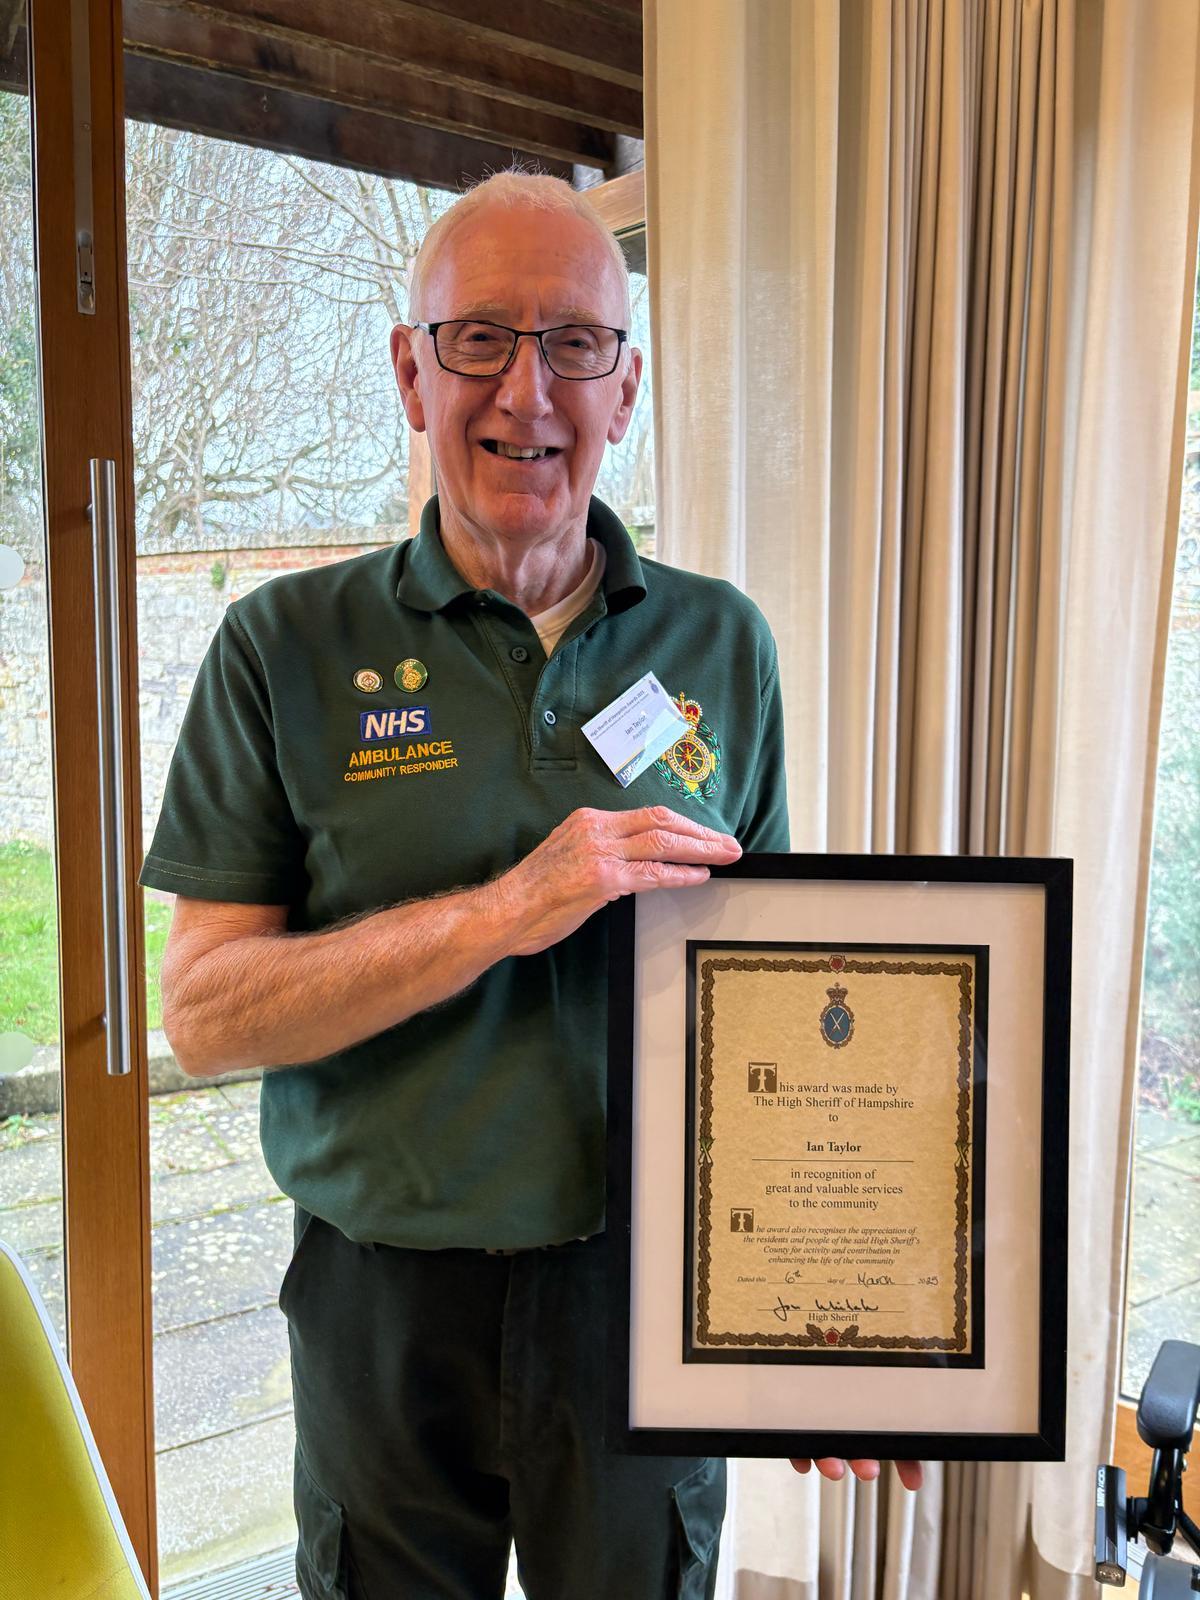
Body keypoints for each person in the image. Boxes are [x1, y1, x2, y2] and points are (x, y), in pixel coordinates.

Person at [140, 171, 921, 1600]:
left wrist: (828, 1305)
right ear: (409, 371)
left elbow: (789, 1011)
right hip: (384, 1291)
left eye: (573, 344)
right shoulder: (283, 648)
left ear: (625, 390)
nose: (526, 391)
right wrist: (509, 909)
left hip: (643, 1301)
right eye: (479, 339)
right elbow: (204, 1015)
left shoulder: (722, 643)